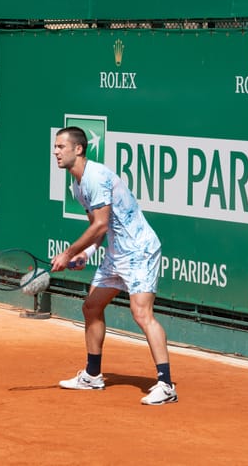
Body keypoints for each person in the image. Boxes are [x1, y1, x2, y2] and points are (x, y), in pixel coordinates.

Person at [51, 126, 177, 405]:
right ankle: (92, 375)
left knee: (141, 314)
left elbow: (100, 224)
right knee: (91, 307)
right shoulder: (77, 184)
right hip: (116, 254)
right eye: (55, 147)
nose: (55, 152)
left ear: (78, 149)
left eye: (61, 147)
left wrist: (68, 253)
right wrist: (87, 253)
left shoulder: (95, 177)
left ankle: (166, 385)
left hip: (139, 250)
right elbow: (99, 227)